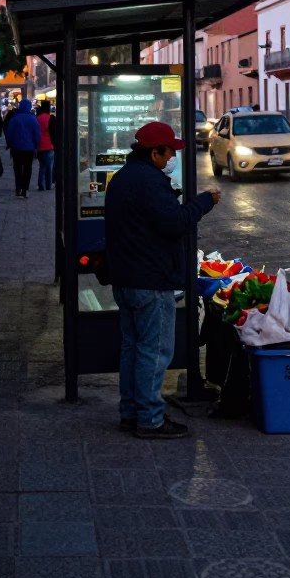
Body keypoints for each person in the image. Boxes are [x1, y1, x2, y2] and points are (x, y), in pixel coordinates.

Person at [105, 121, 221, 440]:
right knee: (154, 352)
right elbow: (175, 222)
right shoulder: (150, 181)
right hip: (150, 280)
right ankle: (151, 419)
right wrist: (204, 202)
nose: (172, 157)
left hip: (125, 279)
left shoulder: (122, 178)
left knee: (132, 347)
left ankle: (130, 412)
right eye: (169, 152)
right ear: (154, 152)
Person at [5, 98, 40, 198]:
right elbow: (37, 134)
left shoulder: (14, 119)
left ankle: (18, 188)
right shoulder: (33, 119)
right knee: (28, 168)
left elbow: (9, 133)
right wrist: (36, 145)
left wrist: (10, 143)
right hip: (29, 148)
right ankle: (26, 189)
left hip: (16, 148)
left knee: (17, 168)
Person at [36, 101, 57, 190]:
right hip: (50, 145)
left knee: (42, 166)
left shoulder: (38, 118)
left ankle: (41, 184)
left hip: (40, 145)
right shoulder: (50, 118)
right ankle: (48, 185)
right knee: (50, 166)